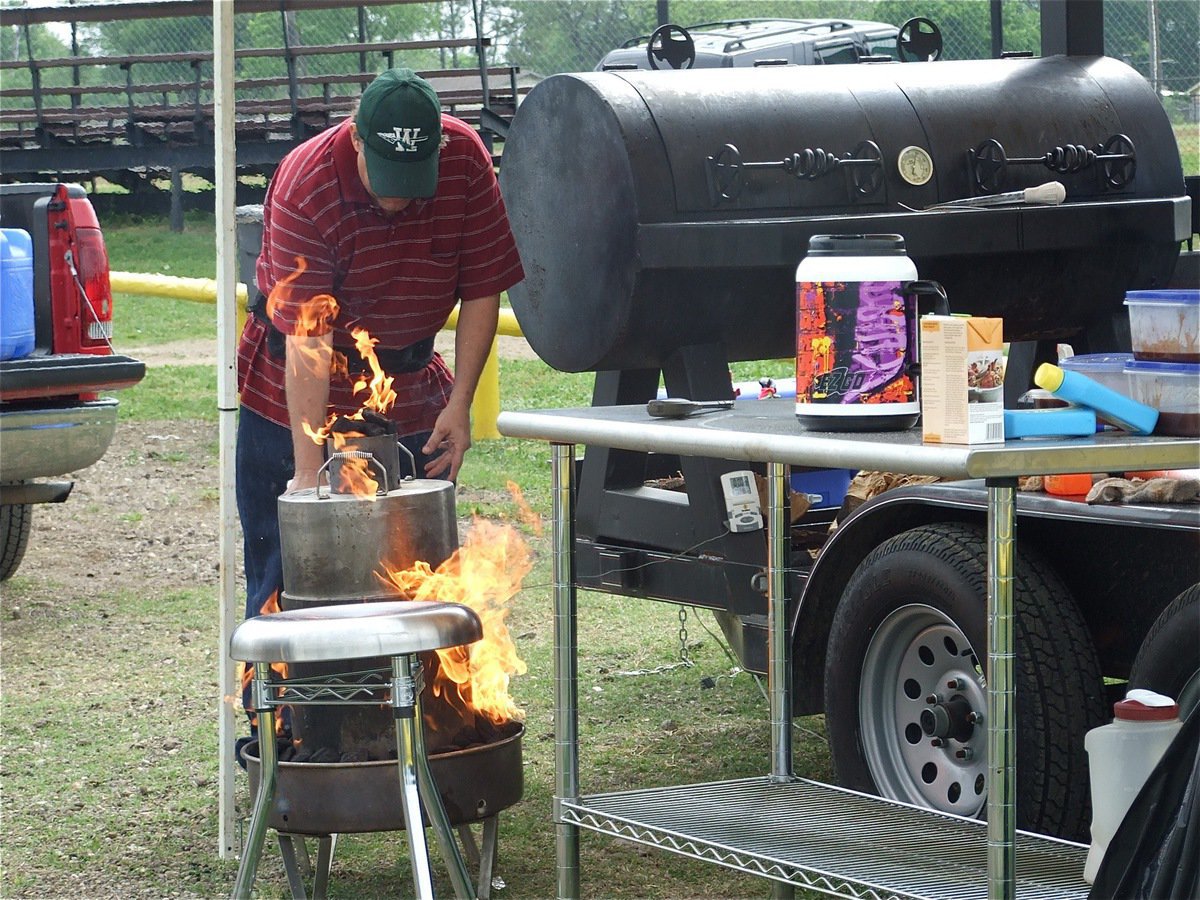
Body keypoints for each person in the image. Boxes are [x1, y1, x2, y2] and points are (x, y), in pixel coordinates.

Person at [234, 68, 524, 700]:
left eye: (412, 182)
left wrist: (460, 406)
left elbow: (483, 287)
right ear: (357, 140)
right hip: (291, 391)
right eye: (386, 181)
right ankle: (283, 734)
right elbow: (308, 338)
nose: (397, 201)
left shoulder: (466, 160)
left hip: (407, 387)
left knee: (413, 578)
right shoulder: (307, 182)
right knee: (289, 579)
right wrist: (307, 476)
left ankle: (418, 724)